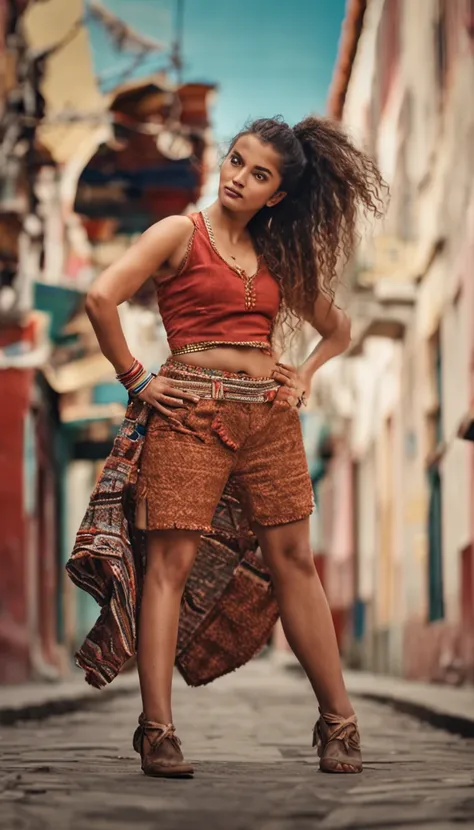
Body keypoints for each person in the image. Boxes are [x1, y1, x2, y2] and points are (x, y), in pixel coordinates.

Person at [84, 115, 384, 779]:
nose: (237, 178)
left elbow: (338, 328)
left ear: (276, 194)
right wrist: (138, 377)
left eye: (258, 174)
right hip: (189, 411)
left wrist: (301, 374)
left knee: (294, 562)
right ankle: (157, 730)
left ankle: (339, 723)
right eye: (235, 160)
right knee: (170, 564)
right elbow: (101, 297)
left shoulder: (278, 256)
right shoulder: (177, 233)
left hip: (269, 421)